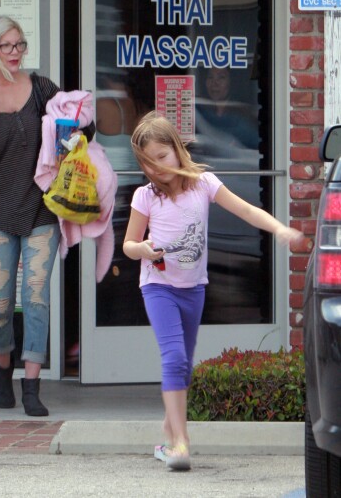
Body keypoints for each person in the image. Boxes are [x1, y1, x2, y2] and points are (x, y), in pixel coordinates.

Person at [122, 112, 302, 471]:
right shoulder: (146, 196)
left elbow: (247, 210)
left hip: (193, 289)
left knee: (184, 366)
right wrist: (141, 249)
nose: (157, 168)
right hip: (158, 286)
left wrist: (279, 229)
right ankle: (181, 444)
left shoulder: (204, 184)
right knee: (173, 358)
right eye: (148, 162)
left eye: (162, 157)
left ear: (177, 149)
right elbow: (128, 243)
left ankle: (167, 437)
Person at [0, 15, 93, 416]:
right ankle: (4, 368)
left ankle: (31, 384)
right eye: (6, 46)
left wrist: (77, 134)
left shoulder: (42, 88)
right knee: (0, 304)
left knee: (36, 297)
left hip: (40, 211)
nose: (15, 53)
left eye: (20, 45)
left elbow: (81, 124)